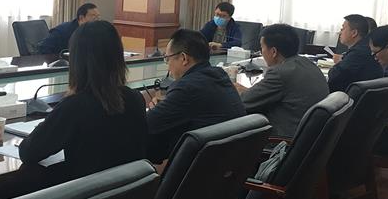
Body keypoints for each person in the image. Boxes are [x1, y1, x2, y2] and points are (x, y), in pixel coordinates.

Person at [19, 20, 147, 182]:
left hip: (86, 195)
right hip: (127, 193)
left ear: (76, 61)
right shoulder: (136, 98)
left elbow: (28, 152)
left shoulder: (74, 106)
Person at [145, 28, 246, 164]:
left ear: (184, 58)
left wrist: (159, 109)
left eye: (167, 59)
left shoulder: (187, 87)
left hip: (202, 166)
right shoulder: (220, 75)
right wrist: (167, 105)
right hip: (229, 163)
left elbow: (147, 124)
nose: (168, 66)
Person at [236, 24, 329, 139]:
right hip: (310, 137)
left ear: (273, 52)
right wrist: (246, 91)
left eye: (262, 48)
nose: (261, 52)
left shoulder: (280, 73)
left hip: (282, 140)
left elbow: (242, 103)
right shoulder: (307, 63)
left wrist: (234, 91)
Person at [328, 14, 383, 92]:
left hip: (349, 96)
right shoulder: (364, 47)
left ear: (354, 33)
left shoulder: (358, 53)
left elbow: (333, 75)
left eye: (343, 29)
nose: (340, 32)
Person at [36, 2, 101, 55]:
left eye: (98, 16)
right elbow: (44, 47)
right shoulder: (63, 31)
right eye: (94, 16)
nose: (97, 20)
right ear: (81, 18)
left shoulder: (93, 31)